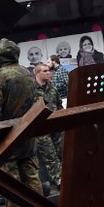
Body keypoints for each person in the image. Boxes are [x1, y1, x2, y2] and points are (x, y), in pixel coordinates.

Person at [0, 39, 48, 207]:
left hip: (6, 134)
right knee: (32, 175)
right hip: (27, 131)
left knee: (11, 180)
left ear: (0, 56)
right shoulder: (27, 73)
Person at [33, 61, 62, 194]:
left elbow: (59, 104)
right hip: (41, 127)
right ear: (37, 73)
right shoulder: (31, 90)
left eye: (49, 70)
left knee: (62, 151)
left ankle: (65, 177)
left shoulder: (52, 87)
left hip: (55, 124)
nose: (48, 72)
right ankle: (58, 179)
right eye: (45, 71)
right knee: (50, 154)